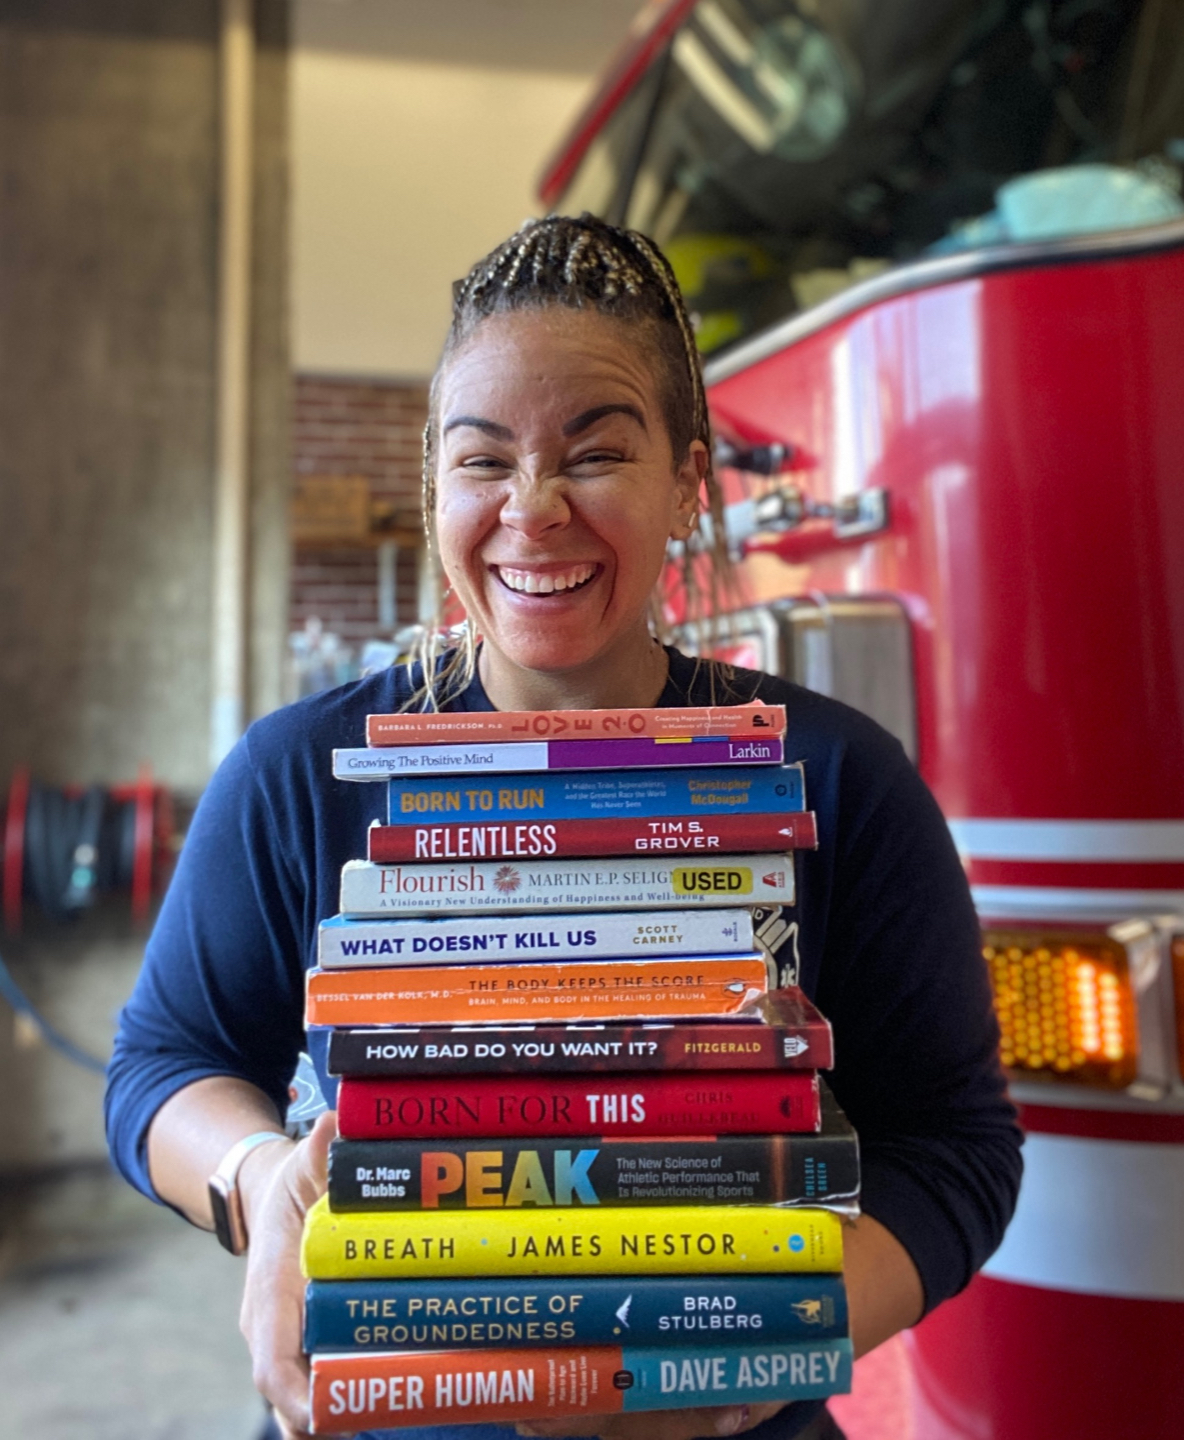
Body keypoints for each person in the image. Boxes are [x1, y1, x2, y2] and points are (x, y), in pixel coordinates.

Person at [106, 214, 1022, 1440]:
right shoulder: (300, 774)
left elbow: (954, 1146)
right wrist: (261, 1178)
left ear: (687, 483)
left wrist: (758, 1333)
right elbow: (164, 1065)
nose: (531, 510)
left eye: (593, 454)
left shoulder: (833, 777)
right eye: (482, 460)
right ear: (434, 483)